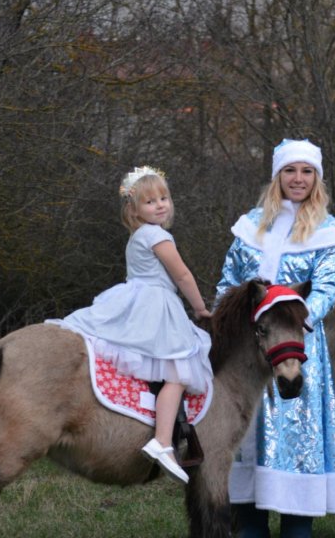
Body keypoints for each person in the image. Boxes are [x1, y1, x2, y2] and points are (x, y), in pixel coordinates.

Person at [216, 139, 335, 538]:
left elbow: (326, 290)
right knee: (247, 433)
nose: (298, 179)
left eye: (307, 172)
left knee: (295, 436)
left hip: (297, 346)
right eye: (290, 171)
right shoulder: (250, 225)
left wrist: (295, 320)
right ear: (278, 176)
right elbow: (228, 283)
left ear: (317, 179)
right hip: (247, 350)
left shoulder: (327, 232)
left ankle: (298, 526)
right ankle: (250, 525)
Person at [52, 166, 213, 485]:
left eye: (164, 198)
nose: (160, 205)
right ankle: (163, 442)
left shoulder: (138, 236)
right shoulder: (157, 235)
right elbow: (181, 275)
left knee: (148, 365)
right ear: (134, 209)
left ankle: (141, 420)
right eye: (150, 201)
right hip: (156, 308)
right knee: (178, 374)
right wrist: (200, 308)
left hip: (136, 302)